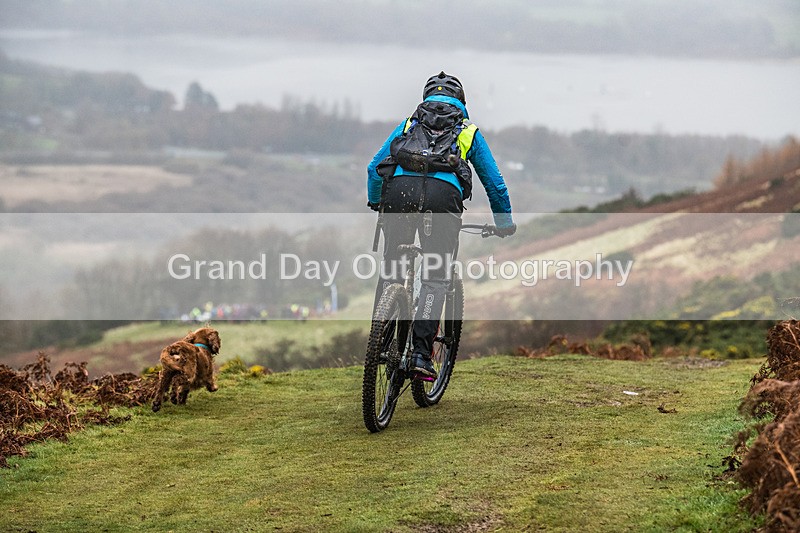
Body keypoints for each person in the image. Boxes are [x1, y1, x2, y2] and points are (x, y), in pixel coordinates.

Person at [366, 71, 516, 379]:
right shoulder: (467, 131)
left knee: (393, 266)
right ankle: (421, 355)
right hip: (442, 199)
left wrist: (375, 200)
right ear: (461, 102)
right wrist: (504, 222)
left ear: (425, 100)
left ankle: (379, 341)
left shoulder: (409, 125)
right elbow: (495, 183)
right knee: (436, 273)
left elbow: (374, 168)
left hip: (399, 193)